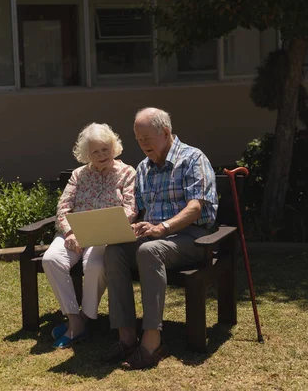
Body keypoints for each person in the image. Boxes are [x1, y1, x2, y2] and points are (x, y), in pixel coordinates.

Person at [102, 107, 218, 370]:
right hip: (156, 237)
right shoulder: (144, 168)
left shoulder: (192, 158)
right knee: (114, 250)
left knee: (148, 251)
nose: (142, 145)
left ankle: (152, 343)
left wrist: (163, 227)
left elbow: (197, 207)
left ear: (165, 133)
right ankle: (127, 337)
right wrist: (128, 226)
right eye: (138, 139)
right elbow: (139, 209)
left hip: (193, 239)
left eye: (147, 139)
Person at [42, 123, 138, 349]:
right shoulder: (79, 175)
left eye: (106, 149)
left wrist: (105, 229)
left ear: (114, 147)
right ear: (87, 154)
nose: (102, 155)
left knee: (93, 266)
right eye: (95, 151)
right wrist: (70, 232)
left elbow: (130, 208)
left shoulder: (127, 173)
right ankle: (75, 320)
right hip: (75, 235)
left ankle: (84, 320)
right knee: (51, 260)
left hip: (106, 236)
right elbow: (63, 207)